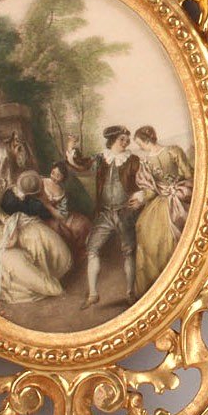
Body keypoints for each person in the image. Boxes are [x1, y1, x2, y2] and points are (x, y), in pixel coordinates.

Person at [66, 126, 147, 308]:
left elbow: (143, 181)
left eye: (127, 139)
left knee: (129, 252)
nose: (126, 142)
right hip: (104, 213)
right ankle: (93, 294)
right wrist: (71, 146)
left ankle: (130, 293)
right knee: (92, 249)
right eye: (121, 139)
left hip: (125, 212)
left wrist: (140, 197)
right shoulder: (101, 158)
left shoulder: (133, 160)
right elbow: (81, 164)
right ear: (112, 140)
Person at [0, 187, 72, 305]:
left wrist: (12, 236)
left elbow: (8, 220)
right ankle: (52, 288)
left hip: (8, 233)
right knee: (16, 261)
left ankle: (54, 268)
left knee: (36, 233)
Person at [131, 126, 195, 296]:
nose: (139, 147)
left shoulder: (165, 154)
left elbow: (188, 175)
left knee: (169, 239)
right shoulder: (163, 155)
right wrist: (141, 198)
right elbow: (187, 175)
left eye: (139, 143)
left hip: (176, 198)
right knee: (150, 233)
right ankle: (161, 286)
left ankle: (178, 283)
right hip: (169, 199)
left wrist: (175, 187)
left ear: (146, 141)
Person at [40, 161, 93, 256]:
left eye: (58, 176)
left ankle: (81, 251)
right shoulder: (42, 181)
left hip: (57, 215)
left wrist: (50, 206)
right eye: (53, 173)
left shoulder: (61, 193)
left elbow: (62, 214)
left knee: (82, 224)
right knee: (63, 231)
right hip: (44, 215)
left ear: (63, 178)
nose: (54, 177)